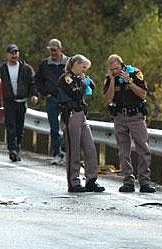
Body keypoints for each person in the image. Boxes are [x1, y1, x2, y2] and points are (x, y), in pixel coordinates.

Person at [103, 54, 155, 193]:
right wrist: (113, 81)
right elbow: (108, 98)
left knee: (143, 149)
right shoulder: (110, 78)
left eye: (117, 68)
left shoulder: (135, 73)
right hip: (119, 116)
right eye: (112, 69)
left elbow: (143, 94)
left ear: (123, 65)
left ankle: (144, 181)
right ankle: (128, 181)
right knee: (123, 151)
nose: (114, 71)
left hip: (136, 116)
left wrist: (129, 82)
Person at [57, 54, 105, 193]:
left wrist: (87, 82)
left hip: (81, 115)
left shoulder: (79, 79)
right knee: (74, 151)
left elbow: (92, 87)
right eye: (83, 67)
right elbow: (76, 94)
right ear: (75, 64)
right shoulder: (66, 78)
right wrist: (83, 84)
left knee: (90, 149)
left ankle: (91, 180)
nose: (84, 70)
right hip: (71, 115)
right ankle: (74, 182)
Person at [0, 44, 38, 162]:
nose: (14, 55)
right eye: (12, 53)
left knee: (19, 128)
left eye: (16, 52)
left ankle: (17, 149)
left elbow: (32, 83)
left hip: (22, 102)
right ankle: (12, 149)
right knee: (10, 126)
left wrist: (34, 95)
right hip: (9, 102)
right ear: (6, 55)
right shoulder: (0, 70)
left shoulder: (26, 69)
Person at [35, 39, 68, 165]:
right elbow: (38, 80)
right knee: (54, 128)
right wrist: (44, 92)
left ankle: (65, 152)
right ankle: (56, 153)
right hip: (52, 99)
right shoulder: (44, 64)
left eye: (55, 50)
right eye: (51, 50)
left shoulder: (68, 62)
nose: (53, 52)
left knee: (67, 127)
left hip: (65, 99)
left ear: (60, 49)